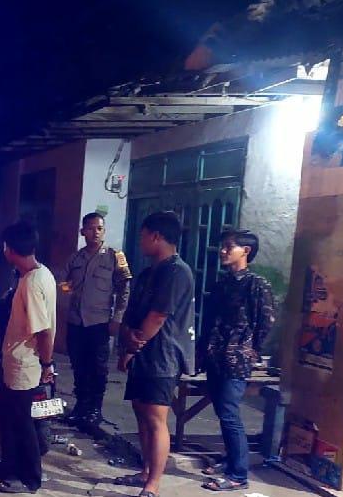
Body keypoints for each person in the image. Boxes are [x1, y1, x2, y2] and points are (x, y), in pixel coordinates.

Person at [115, 212, 195, 497]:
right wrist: (127, 341)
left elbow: (158, 316)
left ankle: (153, 485)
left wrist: (134, 346)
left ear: (156, 236)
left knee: (156, 419)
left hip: (163, 355)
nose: (140, 241)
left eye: (143, 235)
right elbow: (133, 312)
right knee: (141, 413)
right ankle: (145, 471)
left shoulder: (176, 272)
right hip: (143, 353)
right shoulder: (149, 272)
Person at [198, 229, 275, 491]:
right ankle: (231, 459)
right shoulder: (222, 283)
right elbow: (210, 320)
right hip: (215, 356)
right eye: (223, 246)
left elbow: (266, 322)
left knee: (229, 412)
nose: (223, 251)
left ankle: (238, 475)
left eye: (229, 247)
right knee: (222, 410)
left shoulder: (257, 285)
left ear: (246, 251)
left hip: (237, 359)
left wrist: (249, 349)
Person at [0, 221, 57, 495]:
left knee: (22, 422)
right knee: (8, 417)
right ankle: (8, 466)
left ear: (9, 249)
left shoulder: (31, 283)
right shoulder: (41, 274)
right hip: (16, 361)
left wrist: (47, 364)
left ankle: (30, 478)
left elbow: (44, 331)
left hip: (25, 363)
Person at [59, 212, 131, 427]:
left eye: (99, 228)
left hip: (99, 322)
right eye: (90, 228)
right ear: (83, 231)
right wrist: (69, 292)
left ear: (104, 231)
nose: (95, 233)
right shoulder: (75, 258)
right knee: (79, 366)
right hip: (76, 321)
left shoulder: (115, 257)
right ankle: (81, 407)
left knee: (98, 368)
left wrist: (117, 318)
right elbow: (62, 283)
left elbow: (124, 289)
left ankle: (95, 410)